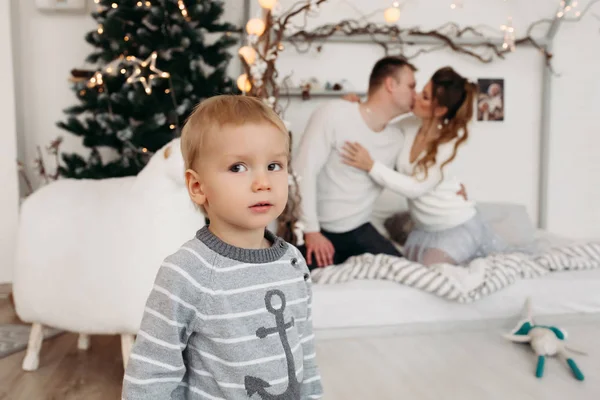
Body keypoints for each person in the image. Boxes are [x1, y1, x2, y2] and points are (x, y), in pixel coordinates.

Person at [122, 95, 323, 399]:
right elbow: (151, 372)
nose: (262, 182)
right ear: (198, 187)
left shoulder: (292, 263)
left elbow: (305, 352)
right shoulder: (187, 272)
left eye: (274, 165)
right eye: (238, 167)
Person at [341, 66, 504, 266]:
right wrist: (357, 109)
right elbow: (376, 130)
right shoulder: (409, 125)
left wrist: (371, 166)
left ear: (441, 110)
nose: (416, 96)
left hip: (455, 226)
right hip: (424, 230)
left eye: (425, 97)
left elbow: (415, 188)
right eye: (421, 90)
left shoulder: (448, 144)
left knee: (428, 277)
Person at [293, 56, 418, 269]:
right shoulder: (334, 113)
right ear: (390, 84)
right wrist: (311, 230)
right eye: (411, 86)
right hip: (318, 230)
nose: (416, 94)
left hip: (359, 229)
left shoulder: (397, 138)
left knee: (407, 275)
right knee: (303, 289)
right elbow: (302, 170)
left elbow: (414, 181)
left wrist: (450, 188)